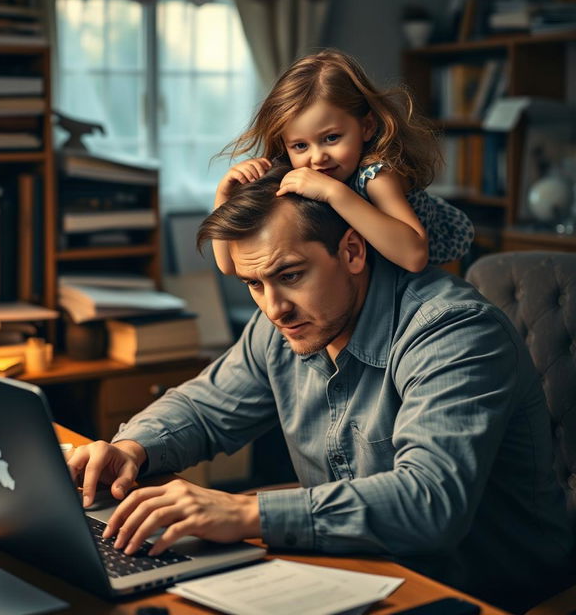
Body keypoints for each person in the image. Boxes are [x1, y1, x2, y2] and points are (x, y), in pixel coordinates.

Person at [69, 166, 573, 613]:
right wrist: (131, 447)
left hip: (484, 593)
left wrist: (243, 511)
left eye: (290, 275)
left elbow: (429, 502)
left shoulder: (453, 331)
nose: (273, 308)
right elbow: (204, 407)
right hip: (354, 572)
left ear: (352, 251)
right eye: (253, 284)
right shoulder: (285, 323)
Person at [212, 48, 474, 275]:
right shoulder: (296, 177)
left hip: (430, 264)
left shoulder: (376, 177)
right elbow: (229, 265)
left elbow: (415, 257)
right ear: (285, 145)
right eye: (300, 145)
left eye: (332, 138)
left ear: (367, 127)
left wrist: (333, 193)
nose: (317, 157)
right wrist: (224, 194)